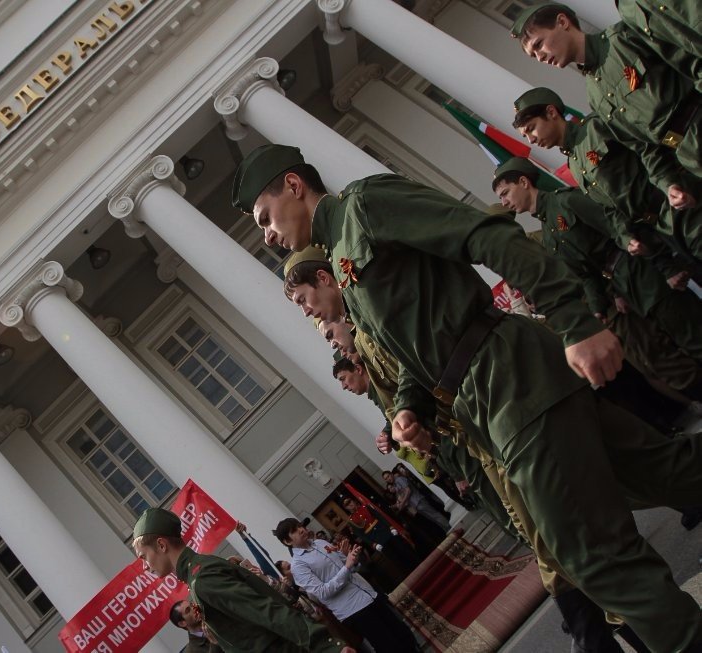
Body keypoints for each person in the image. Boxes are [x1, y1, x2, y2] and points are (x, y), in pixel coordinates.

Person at [231, 143, 702, 653]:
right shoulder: (343, 258)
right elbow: (412, 351)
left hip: (509, 377)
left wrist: (575, 320)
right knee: (668, 472)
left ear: (294, 186)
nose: (267, 235)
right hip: (491, 396)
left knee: (589, 553)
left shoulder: (365, 205)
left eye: (265, 217)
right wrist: (409, 407)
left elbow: (485, 233)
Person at [491, 156, 702, 363]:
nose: (504, 202)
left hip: (646, 272)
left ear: (524, 182)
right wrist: (598, 308)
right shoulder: (548, 233)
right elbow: (586, 273)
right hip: (627, 290)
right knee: (683, 349)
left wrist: (666, 267)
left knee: (694, 337)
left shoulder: (566, 201)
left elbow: (618, 226)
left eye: (505, 193)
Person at [511, 85, 702, 272]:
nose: (531, 140)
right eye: (525, 136)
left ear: (551, 112)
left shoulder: (596, 126)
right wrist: (626, 238)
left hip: (680, 203)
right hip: (664, 230)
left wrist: (669, 184)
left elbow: (647, 148)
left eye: (531, 128)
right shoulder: (575, 165)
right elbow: (610, 208)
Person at [510, 3, 702, 184]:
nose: (539, 57)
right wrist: (668, 183)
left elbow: (691, 61)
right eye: (533, 55)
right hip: (688, 158)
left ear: (562, 22)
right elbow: (642, 146)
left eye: (539, 44)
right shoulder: (595, 95)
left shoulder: (624, 38)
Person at [131, 507, 355, 653]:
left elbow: (266, 610)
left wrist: (329, 646)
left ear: (161, 545)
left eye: (143, 557)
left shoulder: (203, 577)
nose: (145, 566)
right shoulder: (197, 575)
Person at [274, 517, 420, 653]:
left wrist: (349, 557)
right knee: (390, 646)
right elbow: (323, 592)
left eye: (299, 526)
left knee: (404, 634)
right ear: (287, 541)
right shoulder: (298, 566)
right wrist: (347, 566)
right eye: (294, 530)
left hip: (368, 593)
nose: (301, 530)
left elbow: (349, 567)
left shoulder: (320, 543)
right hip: (353, 608)